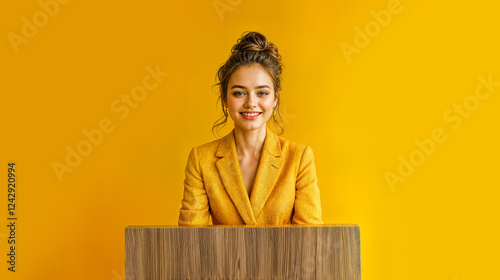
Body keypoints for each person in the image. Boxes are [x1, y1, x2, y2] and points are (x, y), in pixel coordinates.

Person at [178, 31, 323, 225]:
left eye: (262, 92)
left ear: (275, 99)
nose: (251, 103)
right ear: (224, 99)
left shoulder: (299, 158)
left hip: (287, 257)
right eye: (239, 93)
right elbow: (191, 241)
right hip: (220, 257)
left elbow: (310, 238)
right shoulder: (201, 160)